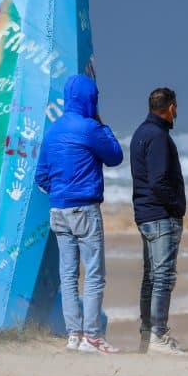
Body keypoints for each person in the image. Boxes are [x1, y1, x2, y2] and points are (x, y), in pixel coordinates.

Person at [36, 74, 124, 354]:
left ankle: (73, 335)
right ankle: (93, 337)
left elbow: (41, 176)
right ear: (91, 99)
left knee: (68, 275)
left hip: (58, 209)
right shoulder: (89, 128)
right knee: (94, 273)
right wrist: (101, 123)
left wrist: (59, 193)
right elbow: (115, 156)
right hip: (84, 209)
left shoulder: (52, 131)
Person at [130, 87, 186, 355]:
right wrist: (177, 207)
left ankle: (147, 335)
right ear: (171, 108)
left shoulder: (141, 133)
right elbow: (158, 181)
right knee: (162, 277)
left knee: (151, 278)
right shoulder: (158, 136)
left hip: (146, 214)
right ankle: (158, 336)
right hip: (161, 216)